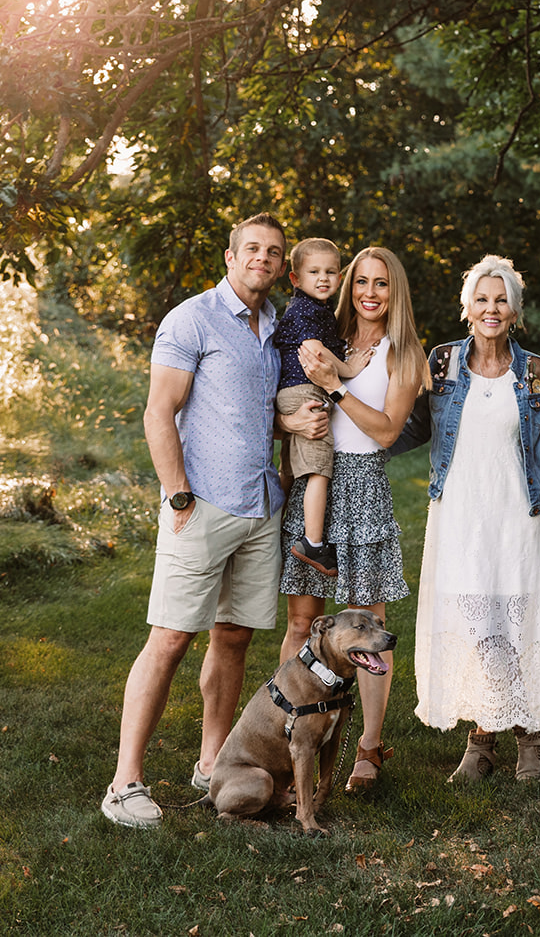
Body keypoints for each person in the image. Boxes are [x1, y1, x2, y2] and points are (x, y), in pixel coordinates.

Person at [102, 213, 326, 828]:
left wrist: (288, 432)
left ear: (282, 264)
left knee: (233, 639)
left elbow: (258, 409)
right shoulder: (191, 319)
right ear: (230, 257)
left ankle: (211, 761)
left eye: (273, 252)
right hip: (199, 507)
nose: (263, 258)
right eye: (251, 249)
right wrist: (178, 496)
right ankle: (125, 783)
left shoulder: (278, 324)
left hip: (260, 509)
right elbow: (158, 412)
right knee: (171, 639)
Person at [278, 246, 429, 794]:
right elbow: (288, 394)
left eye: (381, 284)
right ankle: (292, 728)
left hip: (362, 486)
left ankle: (368, 745)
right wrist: (288, 413)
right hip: (315, 479)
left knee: (366, 629)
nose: (370, 293)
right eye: (361, 281)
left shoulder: (403, 353)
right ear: (347, 285)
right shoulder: (326, 333)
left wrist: (339, 386)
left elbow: (388, 431)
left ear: (395, 292)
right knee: (302, 624)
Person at [411, 255, 540, 782]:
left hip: (513, 513)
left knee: (515, 618)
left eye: (502, 300)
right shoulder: (441, 364)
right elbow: (407, 425)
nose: (492, 308)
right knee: (475, 621)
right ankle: (482, 740)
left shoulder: (535, 372)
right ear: (467, 308)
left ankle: (529, 738)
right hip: (458, 513)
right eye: (482, 299)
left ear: (515, 311)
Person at [274, 237, 370, 576]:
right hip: (306, 393)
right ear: (296, 279)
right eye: (314, 271)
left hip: (292, 391)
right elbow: (314, 349)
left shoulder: (316, 309)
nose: (323, 278)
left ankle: (274, 521)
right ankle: (313, 543)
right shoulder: (307, 311)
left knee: (290, 468)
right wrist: (348, 370)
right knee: (319, 470)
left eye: (331, 271)